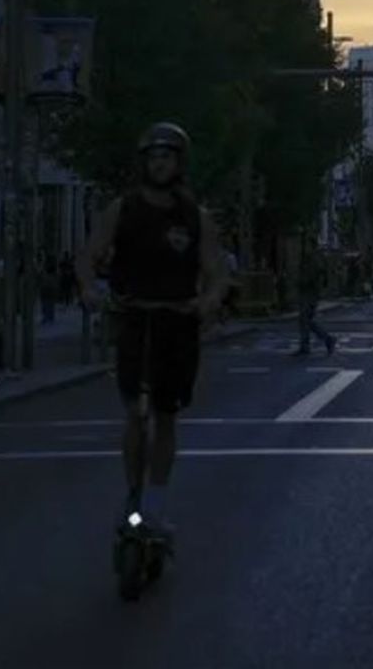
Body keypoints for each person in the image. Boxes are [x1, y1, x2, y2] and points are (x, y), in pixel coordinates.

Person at [78, 123, 229, 529]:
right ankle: (132, 492)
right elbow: (89, 256)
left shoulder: (195, 217)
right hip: (134, 317)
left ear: (179, 163)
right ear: (143, 163)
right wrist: (90, 289)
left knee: (165, 415)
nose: (159, 164)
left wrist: (210, 300)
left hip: (177, 323)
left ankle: (156, 501)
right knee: (134, 413)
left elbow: (215, 271)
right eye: (153, 157)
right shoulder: (122, 209)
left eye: (167, 156)